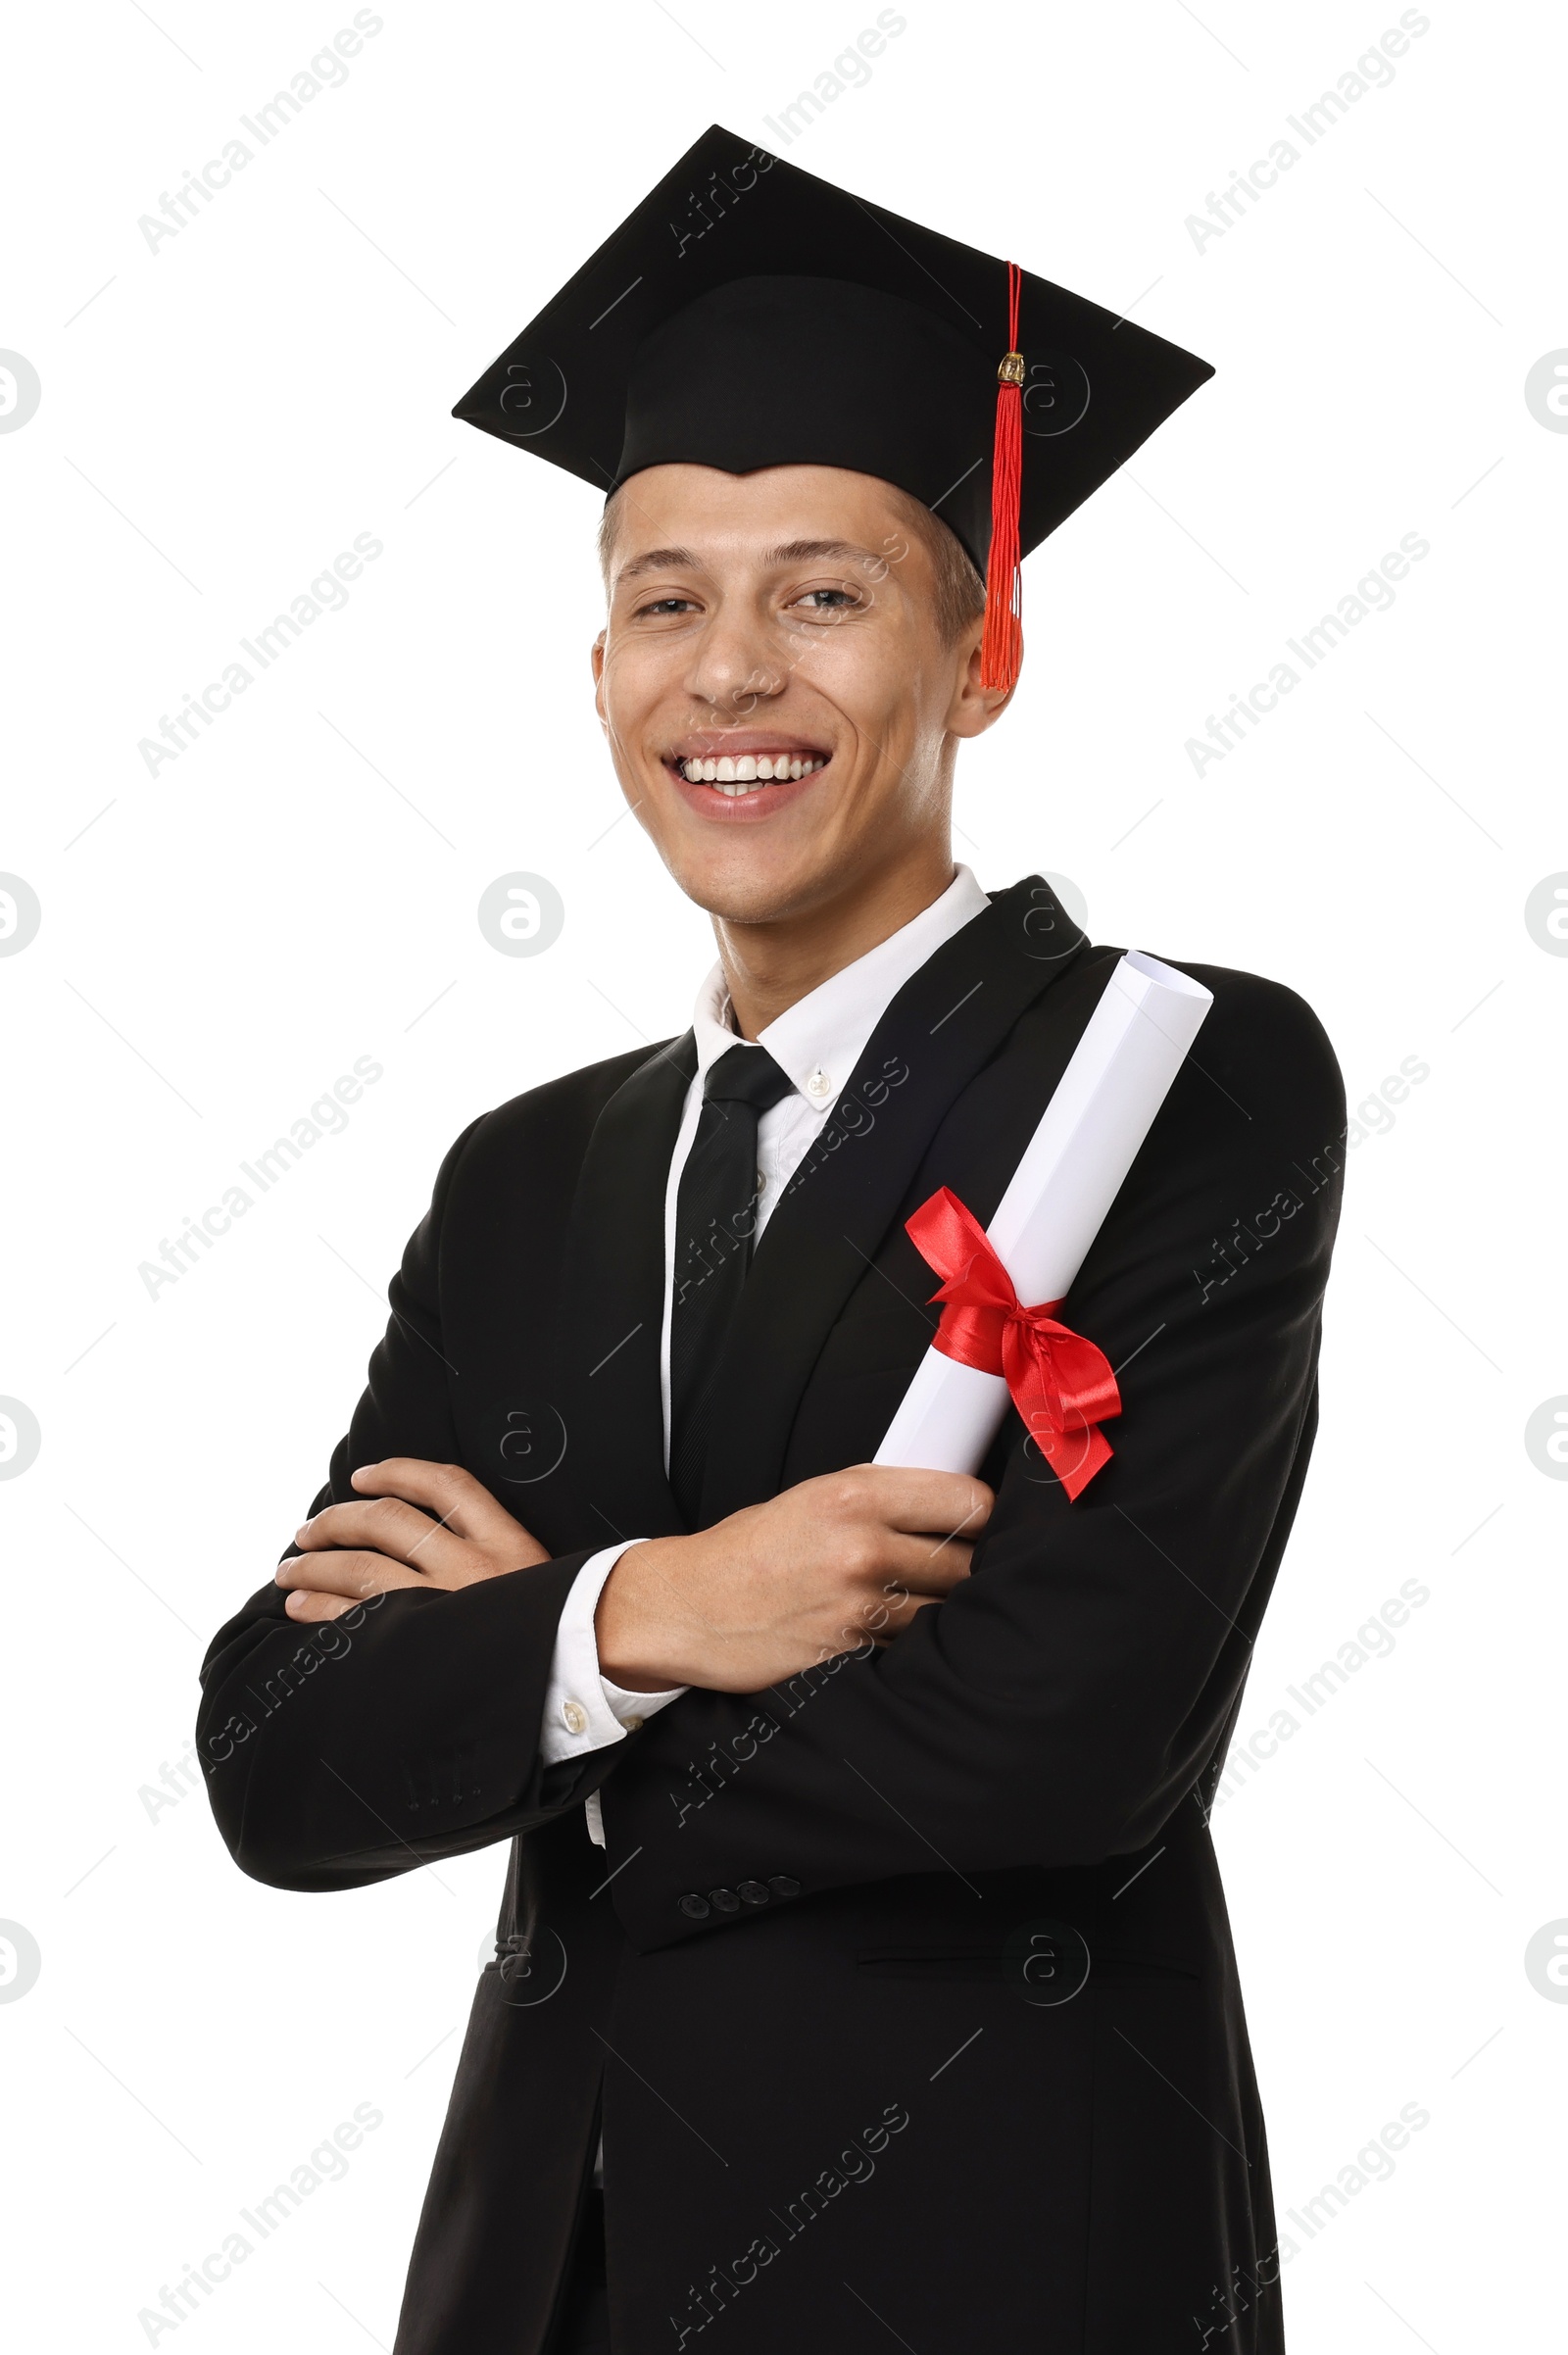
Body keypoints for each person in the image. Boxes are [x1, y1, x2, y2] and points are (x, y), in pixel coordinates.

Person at [198, 125, 1344, 2355]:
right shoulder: (526, 1171)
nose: (727, 673)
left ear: (979, 647)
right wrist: (664, 1606)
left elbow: (1059, 1741)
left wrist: (519, 1668)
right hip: (546, 2277)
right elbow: (282, 1750)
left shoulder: (1165, 1077)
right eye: (661, 598)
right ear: (600, 661)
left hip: (997, 2258)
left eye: (820, 591)